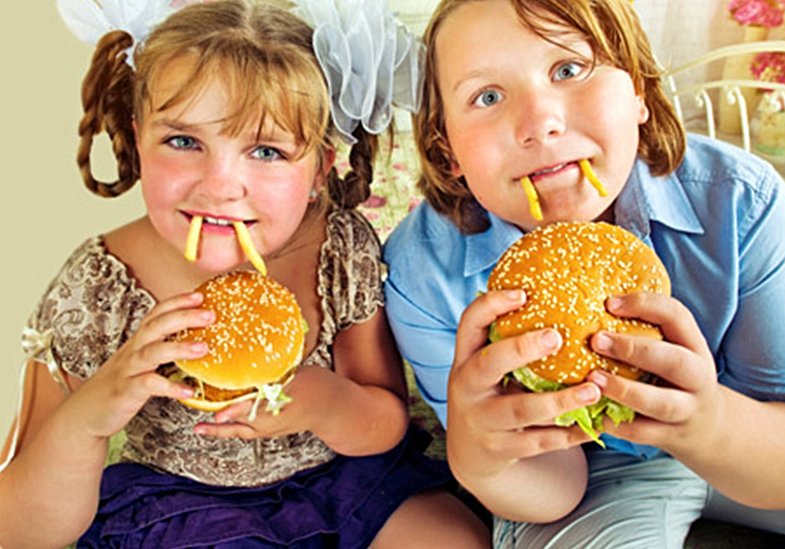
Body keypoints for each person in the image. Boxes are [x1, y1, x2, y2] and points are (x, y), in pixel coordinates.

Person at [0, 1, 490, 547]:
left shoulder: (338, 249)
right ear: (139, 138)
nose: (220, 184)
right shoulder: (98, 286)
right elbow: (19, 528)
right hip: (177, 506)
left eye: (266, 150)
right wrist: (91, 415)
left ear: (318, 171)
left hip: (342, 484)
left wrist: (321, 400)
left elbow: (383, 424)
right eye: (184, 141)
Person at [383, 0, 785, 546]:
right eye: (487, 96)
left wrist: (708, 425)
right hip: (599, 476)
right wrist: (483, 458)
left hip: (757, 432)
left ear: (638, 90)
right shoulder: (421, 271)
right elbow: (553, 495)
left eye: (568, 70)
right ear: (446, 150)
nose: (540, 123)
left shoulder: (743, 203)